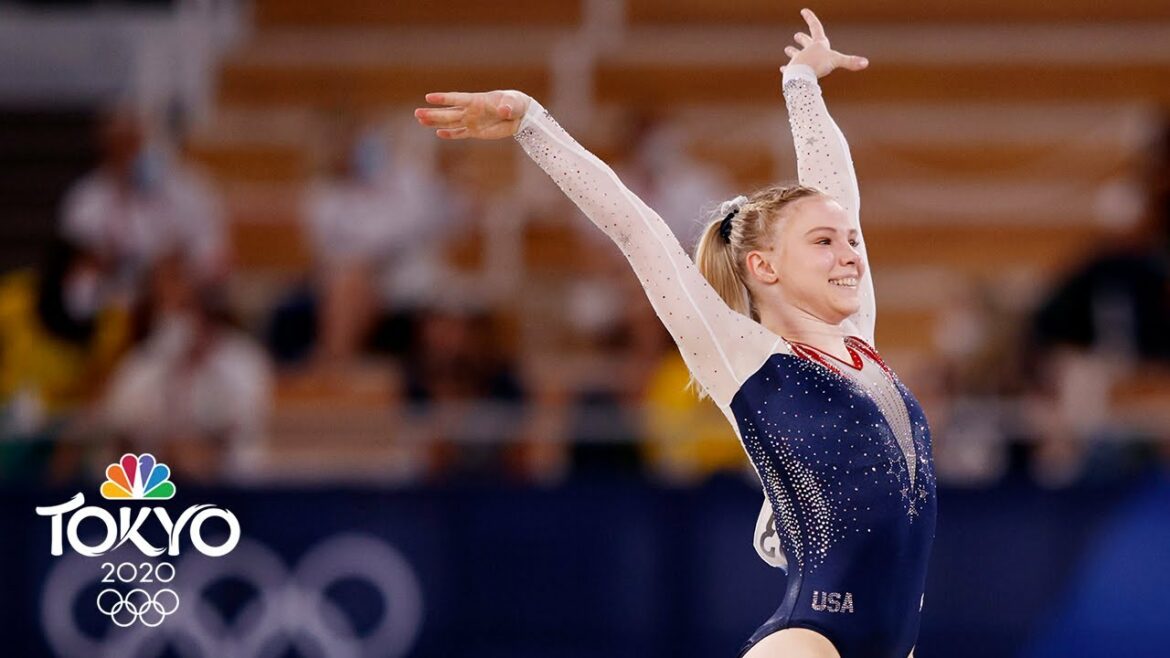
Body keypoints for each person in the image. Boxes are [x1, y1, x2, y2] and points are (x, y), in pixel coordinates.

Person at [415, 9, 932, 658]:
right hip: (813, 641)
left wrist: (802, 82)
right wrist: (531, 124)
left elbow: (837, 188)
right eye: (824, 242)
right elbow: (637, 230)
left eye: (851, 241)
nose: (851, 253)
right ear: (764, 267)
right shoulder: (747, 358)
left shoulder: (859, 340)